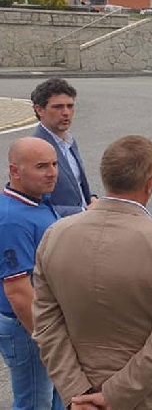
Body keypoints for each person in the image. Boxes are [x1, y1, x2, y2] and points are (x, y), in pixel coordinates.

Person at [32, 135, 152, 410]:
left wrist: (76, 390)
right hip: (151, 394)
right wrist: (115, 393)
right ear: (150, 183)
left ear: (105, 177)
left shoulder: (55, 236)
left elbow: (46, 324)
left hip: (80, 395)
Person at [0, 137, 64, 410]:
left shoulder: (35, 201)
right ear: (15, 171)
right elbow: (17, 291)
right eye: (41, 166)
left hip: (46, 323)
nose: (52, 172)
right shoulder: (13, 219)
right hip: (28, 329)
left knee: (58, 398)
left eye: (54, 164)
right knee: (35, 404)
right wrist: (48, 341)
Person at [31, 78, 97, 217]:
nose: (66, 112)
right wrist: (82, 211)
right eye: (58, 107)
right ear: (40, 110)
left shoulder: (69, 141)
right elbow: (35, 205)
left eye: (70, 106)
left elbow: (76, 184)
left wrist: (92, 199)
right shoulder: (35, 149)